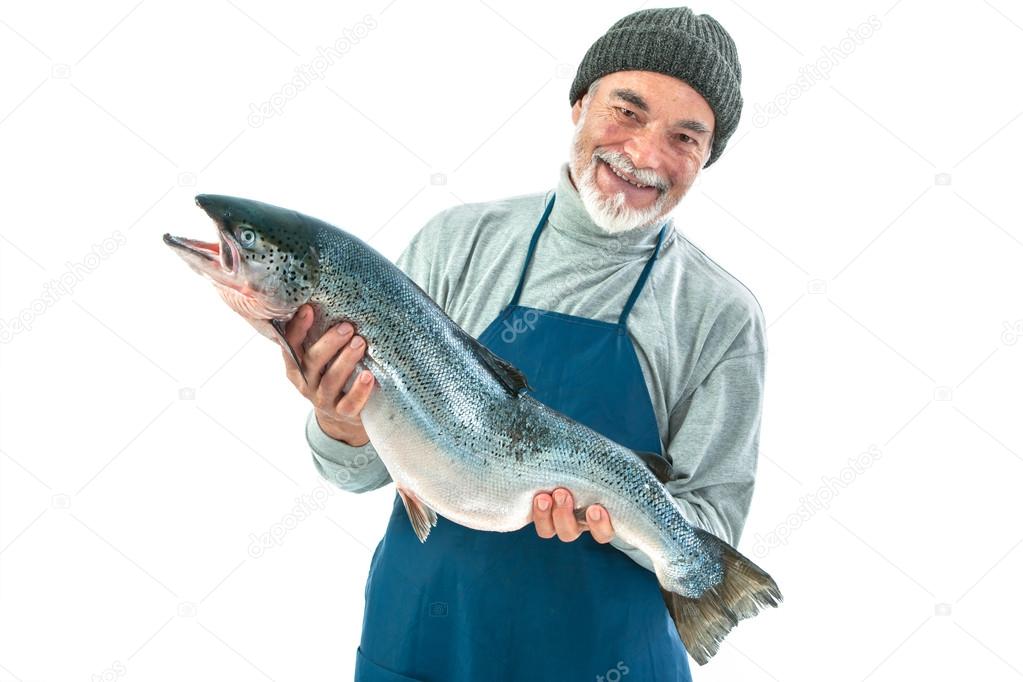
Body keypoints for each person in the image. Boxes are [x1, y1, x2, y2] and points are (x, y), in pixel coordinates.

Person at [284, 7, 764, 681]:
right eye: (626, 111)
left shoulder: (719, 314)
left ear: (706, 156)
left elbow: (711, 525)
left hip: (607, 658)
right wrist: (339, 422)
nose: (645, 156)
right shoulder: (456, 243)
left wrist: (610, 510)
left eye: (685, 137)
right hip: (423, 644)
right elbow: (358, 473)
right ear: (578, 103)